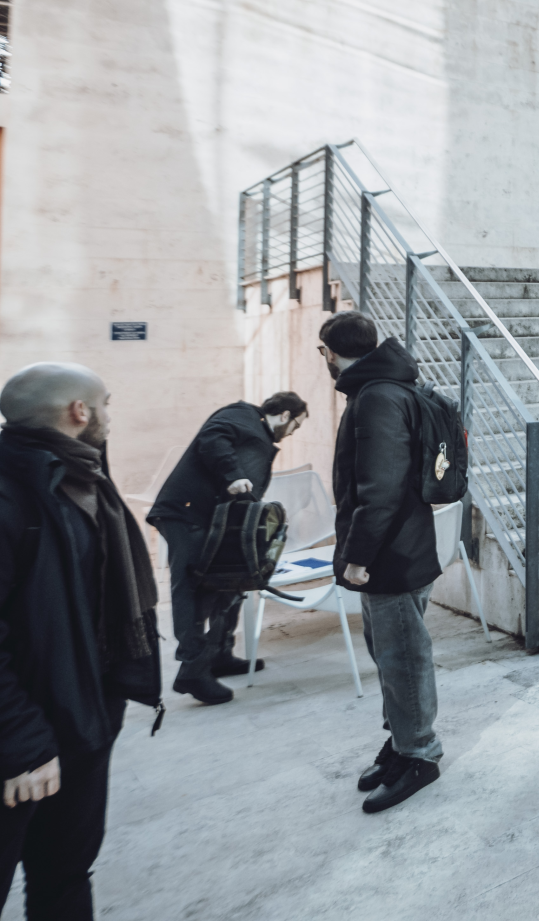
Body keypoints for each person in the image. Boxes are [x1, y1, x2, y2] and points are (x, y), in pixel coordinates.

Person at [0, 362, 162, 918]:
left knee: (65, 874)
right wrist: (22, 743)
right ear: (79, 411)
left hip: (85, 716)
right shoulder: (13, 494)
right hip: (23, 736)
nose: (110, 416)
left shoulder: (82, 472)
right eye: (106, 404)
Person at [320, 311, 444, 814]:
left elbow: (381, 488)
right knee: (391, 658)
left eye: (324, 351)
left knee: (403, 660)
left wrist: (357, 557)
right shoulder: (382, 389)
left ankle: (420, 754)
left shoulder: (377, 397)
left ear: (330, 351)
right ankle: (402, 742)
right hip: (397, 549)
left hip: (390, 555)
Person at [146, 392, 308, 704]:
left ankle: (220, 654)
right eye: (296, 426)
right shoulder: (242, 414)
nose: (292, 433)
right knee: (192, 587)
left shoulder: (258, 431)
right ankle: (192, 671)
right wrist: (233, 475)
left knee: (230, 581)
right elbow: (213, 436)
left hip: (211, 519)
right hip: (186, 514)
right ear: (286, 415)